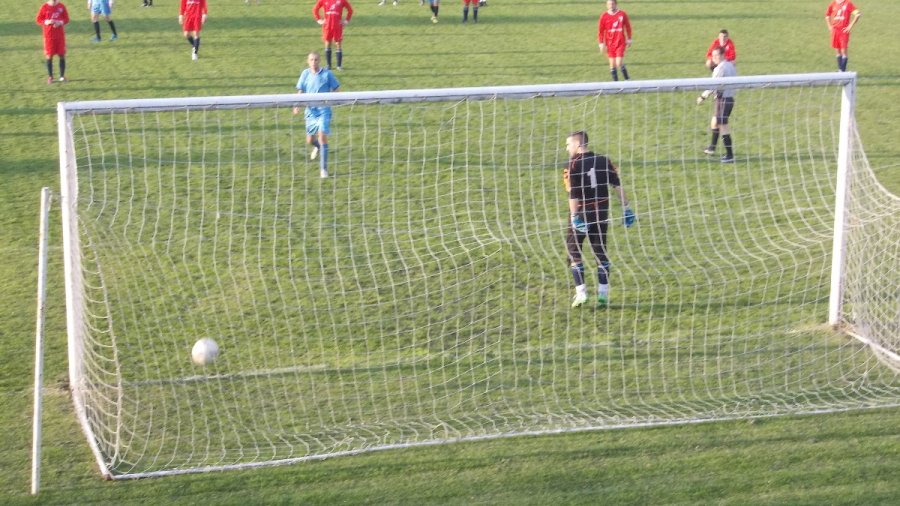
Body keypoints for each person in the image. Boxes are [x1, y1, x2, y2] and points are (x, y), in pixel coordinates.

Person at [564, 130, 635, 308]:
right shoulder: (605, 160)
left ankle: (581, 293)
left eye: (569, 144)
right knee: (600, 252)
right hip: (601, 213)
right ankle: (603, 294)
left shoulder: (571, 164)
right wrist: (627, 208)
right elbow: (617, 185)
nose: (567, 148)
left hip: (581, 213)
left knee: (573, 251)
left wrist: (574, 217)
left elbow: (573, 194)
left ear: (578, 144)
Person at [293, 52, 341, 179]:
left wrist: (333, 100)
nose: (314, 62)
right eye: (311, 60)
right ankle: (318, 147)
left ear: (320, 61)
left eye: (316, 60)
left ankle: (323, 169)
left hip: (324, 110)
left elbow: (337, 89)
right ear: (308, 61)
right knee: (310, 140)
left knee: (322, 135)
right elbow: (300, 90)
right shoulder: (305, 74)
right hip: (310, 111)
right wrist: (296, 104)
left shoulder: (327, 74)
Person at [697, 46, 737, 163]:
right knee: (714, 122)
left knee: (723, 126)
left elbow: (713, 85)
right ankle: (712, 148)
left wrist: (703, 96)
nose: (714, 58)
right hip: (729, 99)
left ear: (723, 55)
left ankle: (730, 155)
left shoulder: (719, 68)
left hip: (723, 100)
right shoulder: (730, 65)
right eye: (713, 55)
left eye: (716, 55)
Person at [313, 0, 353, 71]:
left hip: (337, 26)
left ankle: (339, 66)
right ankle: (328, 65)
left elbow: (350, 10)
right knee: (328, 43)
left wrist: (346, 20)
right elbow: (315, 9)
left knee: (338, 44)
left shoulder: (341, 1)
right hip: (327, 26)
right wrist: (319, 20)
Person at [597, 0, 632, 81]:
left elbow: (628, 27)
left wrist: (629, 38)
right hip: (609, 44)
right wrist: (601, 43)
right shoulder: (604, 16)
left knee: (618, 62)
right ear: (606, 5)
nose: (611, 5)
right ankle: (615, 84)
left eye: (612, 4)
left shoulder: (622, 14)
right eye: (609, 4)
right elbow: (600, 31)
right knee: (612, 64)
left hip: (620, 42)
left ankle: (627, 79)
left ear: (616, 4)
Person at [36, 0, 69, 84]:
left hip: (60, 36)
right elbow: (38, 19)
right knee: (49, 56)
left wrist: (59, 22)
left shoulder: (61, 6)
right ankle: (50, 77)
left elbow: (66, 19)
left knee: (62, 55)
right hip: (49, 37)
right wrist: (46, 22)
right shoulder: (44, 7)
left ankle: (62, 76)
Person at [825, 0, 861, 72]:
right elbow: (827, 15)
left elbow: (858, 14)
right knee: (837, 50)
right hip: (835, 31)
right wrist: (829, 26)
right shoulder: (833, 3)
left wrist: (850, 26)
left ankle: (843, 70)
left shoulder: (848, 3)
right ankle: (840, 70)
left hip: (843, 31)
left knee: (843, 50)